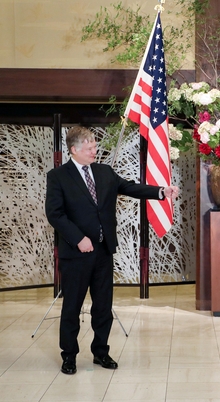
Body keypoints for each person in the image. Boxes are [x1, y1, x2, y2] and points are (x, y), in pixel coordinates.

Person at [45, 126, 179, 375]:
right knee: (72, 306)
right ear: (74, 150)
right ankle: (69, 355)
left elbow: (129, 187)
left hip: (104, 251)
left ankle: (101, 352)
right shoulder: (58, 176)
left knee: (103, 306)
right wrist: (77, 238)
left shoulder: (104, 171)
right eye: (89, 148)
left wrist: (161, 192)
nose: (95, 151)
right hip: (76, 254)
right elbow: (55, 214)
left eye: (95, 146)